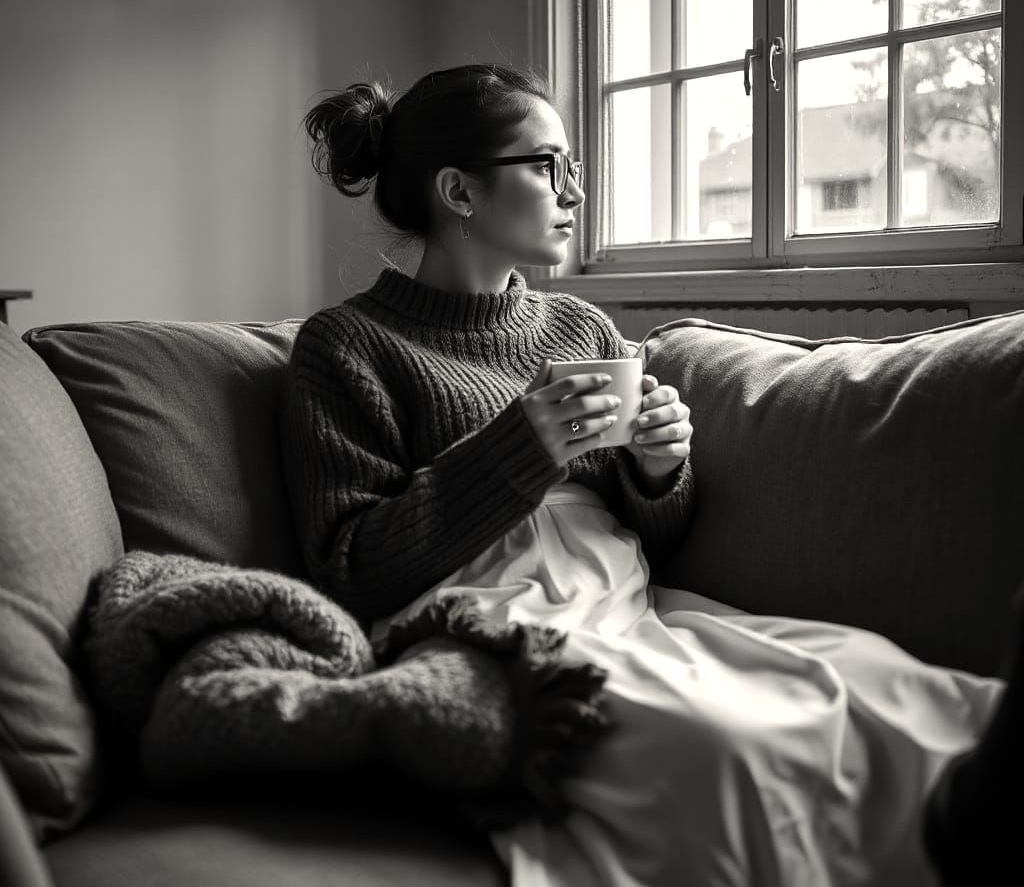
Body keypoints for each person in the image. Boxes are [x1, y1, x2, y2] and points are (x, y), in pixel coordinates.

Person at [281, 63, 1017, 887]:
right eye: (548, 166)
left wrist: (660, 469)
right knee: (727, 741)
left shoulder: (578, 323)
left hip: (627, 597)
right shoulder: (346, 347)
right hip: (485, 613)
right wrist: (521, 446)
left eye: (575, 169)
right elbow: (350, 568)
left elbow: (653, 535)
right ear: (459, 190)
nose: (574, 193)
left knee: (879, 689)